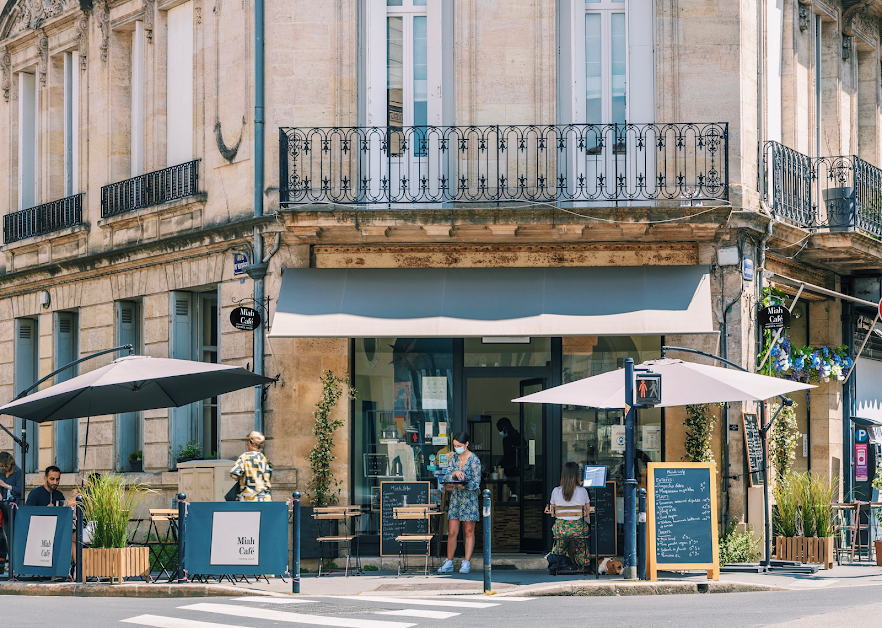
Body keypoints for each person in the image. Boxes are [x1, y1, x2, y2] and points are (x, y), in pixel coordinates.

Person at [437, 431, 481, 575]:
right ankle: (449, 561)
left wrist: (464, 481)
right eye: (455, 445)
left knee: (469, 532)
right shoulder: (454, 458)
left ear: (467, 444)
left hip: (469, 499)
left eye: (460, 445)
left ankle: (466, 563)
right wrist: (455, 473)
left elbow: (476, 483)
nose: (457, 448)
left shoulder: (474, 460)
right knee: (452, 532)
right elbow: (445, 476)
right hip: (456, 499)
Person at [545, 462, 591, 567]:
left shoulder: (555, 491)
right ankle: (584, 562)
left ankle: (557, 561)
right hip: (578, 528)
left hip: (561, 528)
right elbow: (587, 510)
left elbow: (552, 509)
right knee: (581, 542)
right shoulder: (583, 491)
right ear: (577, 475)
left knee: (561, 542)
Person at [230, 431, 273, 501]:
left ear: (250, 442)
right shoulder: (265, 460)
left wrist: (239, 478)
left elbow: (234, 473)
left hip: (248, 499)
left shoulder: (245, 457)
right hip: (265, 499)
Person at [496, 417, 525, 500]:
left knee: (516, 498)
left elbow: (522, 461)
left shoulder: (520, 439)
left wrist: (506, 466)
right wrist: (500, 464)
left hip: (517, 474)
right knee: (505, 497)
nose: (500, 432)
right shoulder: (506, 440)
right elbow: (506, 455)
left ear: (506, 428)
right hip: (507, 474)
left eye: (501, 430)